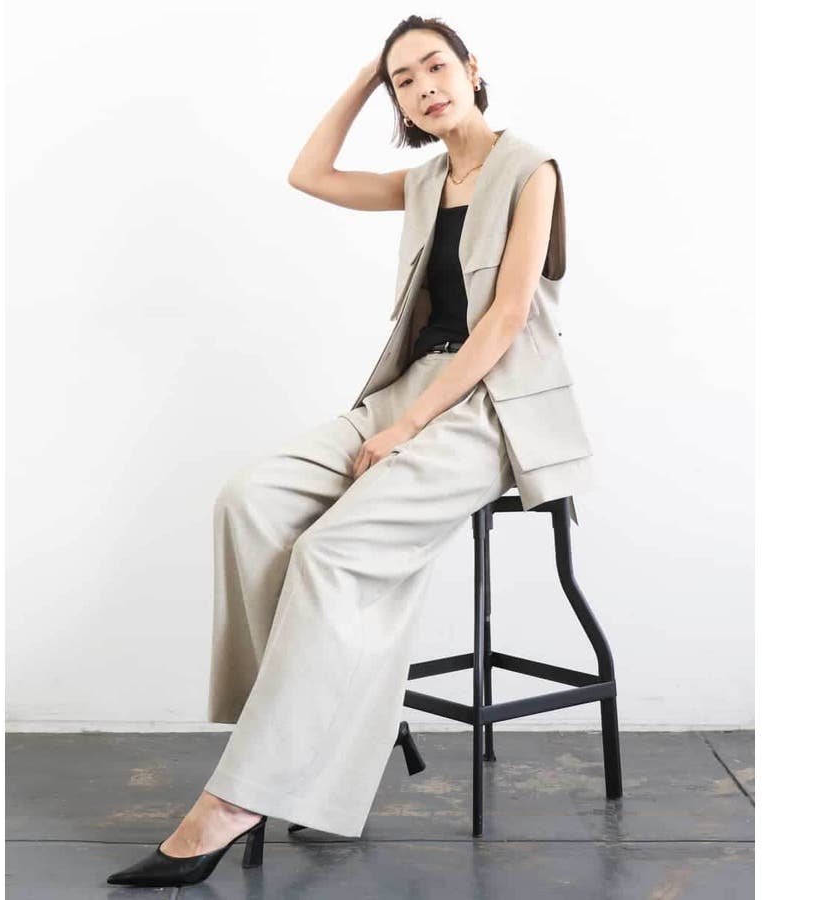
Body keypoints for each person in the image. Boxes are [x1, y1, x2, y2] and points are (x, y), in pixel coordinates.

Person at [107, 15, 574, 887]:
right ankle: (332, 716)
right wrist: (366, 77)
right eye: (406, 80)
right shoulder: (428, 180)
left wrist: (409, 427)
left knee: (328, 553)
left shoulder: (529, 168)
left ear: (473, 69)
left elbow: (507, 319)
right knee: (247, 500)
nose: (425, 87)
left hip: (489, 409)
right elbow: (308, 174)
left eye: (436, 66)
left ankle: (234, 801)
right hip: (403, 389)